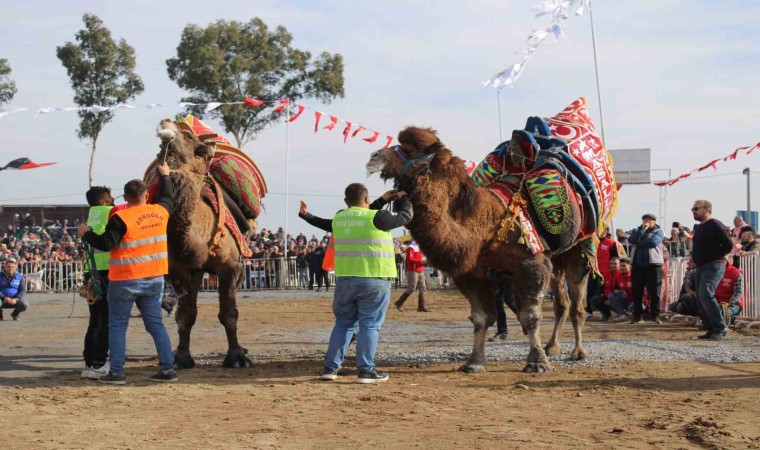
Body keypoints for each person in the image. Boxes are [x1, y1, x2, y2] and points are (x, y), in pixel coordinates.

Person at [299, 184, 412, 384]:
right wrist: (404, 198)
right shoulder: (378, 218)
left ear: (346, 201)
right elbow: (405, 216)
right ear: (367, 199)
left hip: (345, 281)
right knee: (370, 325)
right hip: (374, 279)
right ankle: (366, 371)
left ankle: (330, 369)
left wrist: (305, 215)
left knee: (343, 323)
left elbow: (324, 222)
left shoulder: (340, 217)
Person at [78, 162, 178, 384]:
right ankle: (168, 370)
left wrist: (85, 233)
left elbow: (105, 243)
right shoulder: (161, 212)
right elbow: (167, 196)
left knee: (117, 326)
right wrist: (165, 176)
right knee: (156, 326)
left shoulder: (121, 218)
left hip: (125, 279)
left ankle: (117, 373)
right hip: (154, 280)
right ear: (146, 195)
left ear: (125, 197)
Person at [80, 185, 114, 380]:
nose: (112, 198)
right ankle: (99, 364)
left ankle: (89, 363)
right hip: (105, 272)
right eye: (109, 196)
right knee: (105, 321)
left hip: (91, 272)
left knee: (95, 321)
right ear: (102, 200)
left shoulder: (92, 214)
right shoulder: (109, 212)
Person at [690, 200, 734, 340]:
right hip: (701, 266)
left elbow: (728, 244)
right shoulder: (699, 228)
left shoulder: (714, 224)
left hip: (714, 264)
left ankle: (721, 327)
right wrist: (694, 259)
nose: (693, 211)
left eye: (696, 208)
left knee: (706, 294)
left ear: (707, 209)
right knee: (700, 297)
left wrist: (717, 255)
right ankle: (711, 328)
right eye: (693, 209)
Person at [627, 213, 665, 324]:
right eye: (644, 220)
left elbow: (652, 243)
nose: (646, 222)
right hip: (637, 265)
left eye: (649, 220)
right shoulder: (636, 231)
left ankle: (655, 315)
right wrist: (641, 231)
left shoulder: (659, 232)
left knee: (655, 292)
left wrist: (638, 243)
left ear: (654, 221)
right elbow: (631, 240)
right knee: (637, 291)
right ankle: (637, 316)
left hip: (653, 265)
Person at [394, 240, 429, 312]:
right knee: (411, 288)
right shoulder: (411, 248)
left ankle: (421, 306)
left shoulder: (420, 248)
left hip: (420, 269)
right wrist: (421, 261)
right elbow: (410, 259)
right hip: (413, 270)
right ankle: (399, 302)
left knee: (423, 288)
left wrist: (424, 262)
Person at [714, 255, 744, 325]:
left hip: (733, 304)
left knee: (724, 312)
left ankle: (728, 318)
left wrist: (728, 303)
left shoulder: (736, 272)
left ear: (725, 261)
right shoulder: (712, 272)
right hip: (717, 302)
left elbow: (738, 292)